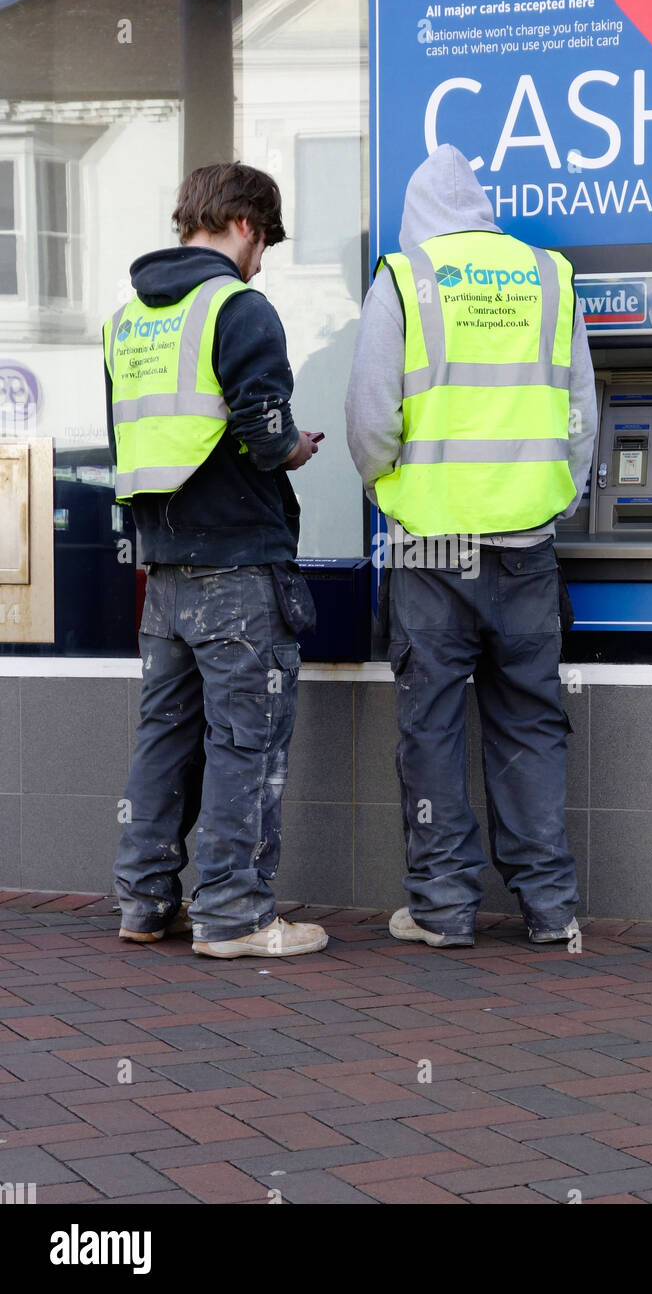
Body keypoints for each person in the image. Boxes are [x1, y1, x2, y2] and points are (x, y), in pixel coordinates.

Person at [345, 144, 597, 948]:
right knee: (529, 720)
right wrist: (555, 500)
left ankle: (444, 909)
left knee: (433, 724)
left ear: (418, 216)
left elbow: (370, 418)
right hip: (527, 545)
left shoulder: (405, 279)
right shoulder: (550, 278)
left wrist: (390, 489)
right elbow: (582, 419)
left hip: (429, 548)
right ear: (483, 209)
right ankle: (551, 908)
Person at [105, 162, 328, 959]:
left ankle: (144, 901)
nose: (262, 259)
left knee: (164, 737)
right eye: (264, 241)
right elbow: (264, 430)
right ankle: (235, 915)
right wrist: (295, 449)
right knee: (248, 741)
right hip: (237, 566)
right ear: (244, 226)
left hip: (162, 570)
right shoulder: (238, 307)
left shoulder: (128, 320)